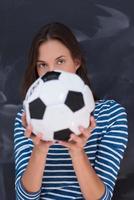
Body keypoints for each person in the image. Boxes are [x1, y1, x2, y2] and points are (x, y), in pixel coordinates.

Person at [14, 22, 128, 200]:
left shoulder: (111, 115)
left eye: (60, 61)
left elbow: (102, 198)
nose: (51, 72)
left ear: (76, 62)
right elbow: (24, 198)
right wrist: (40, 150)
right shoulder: (28, 117)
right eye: (42, 65)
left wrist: (77, 152)